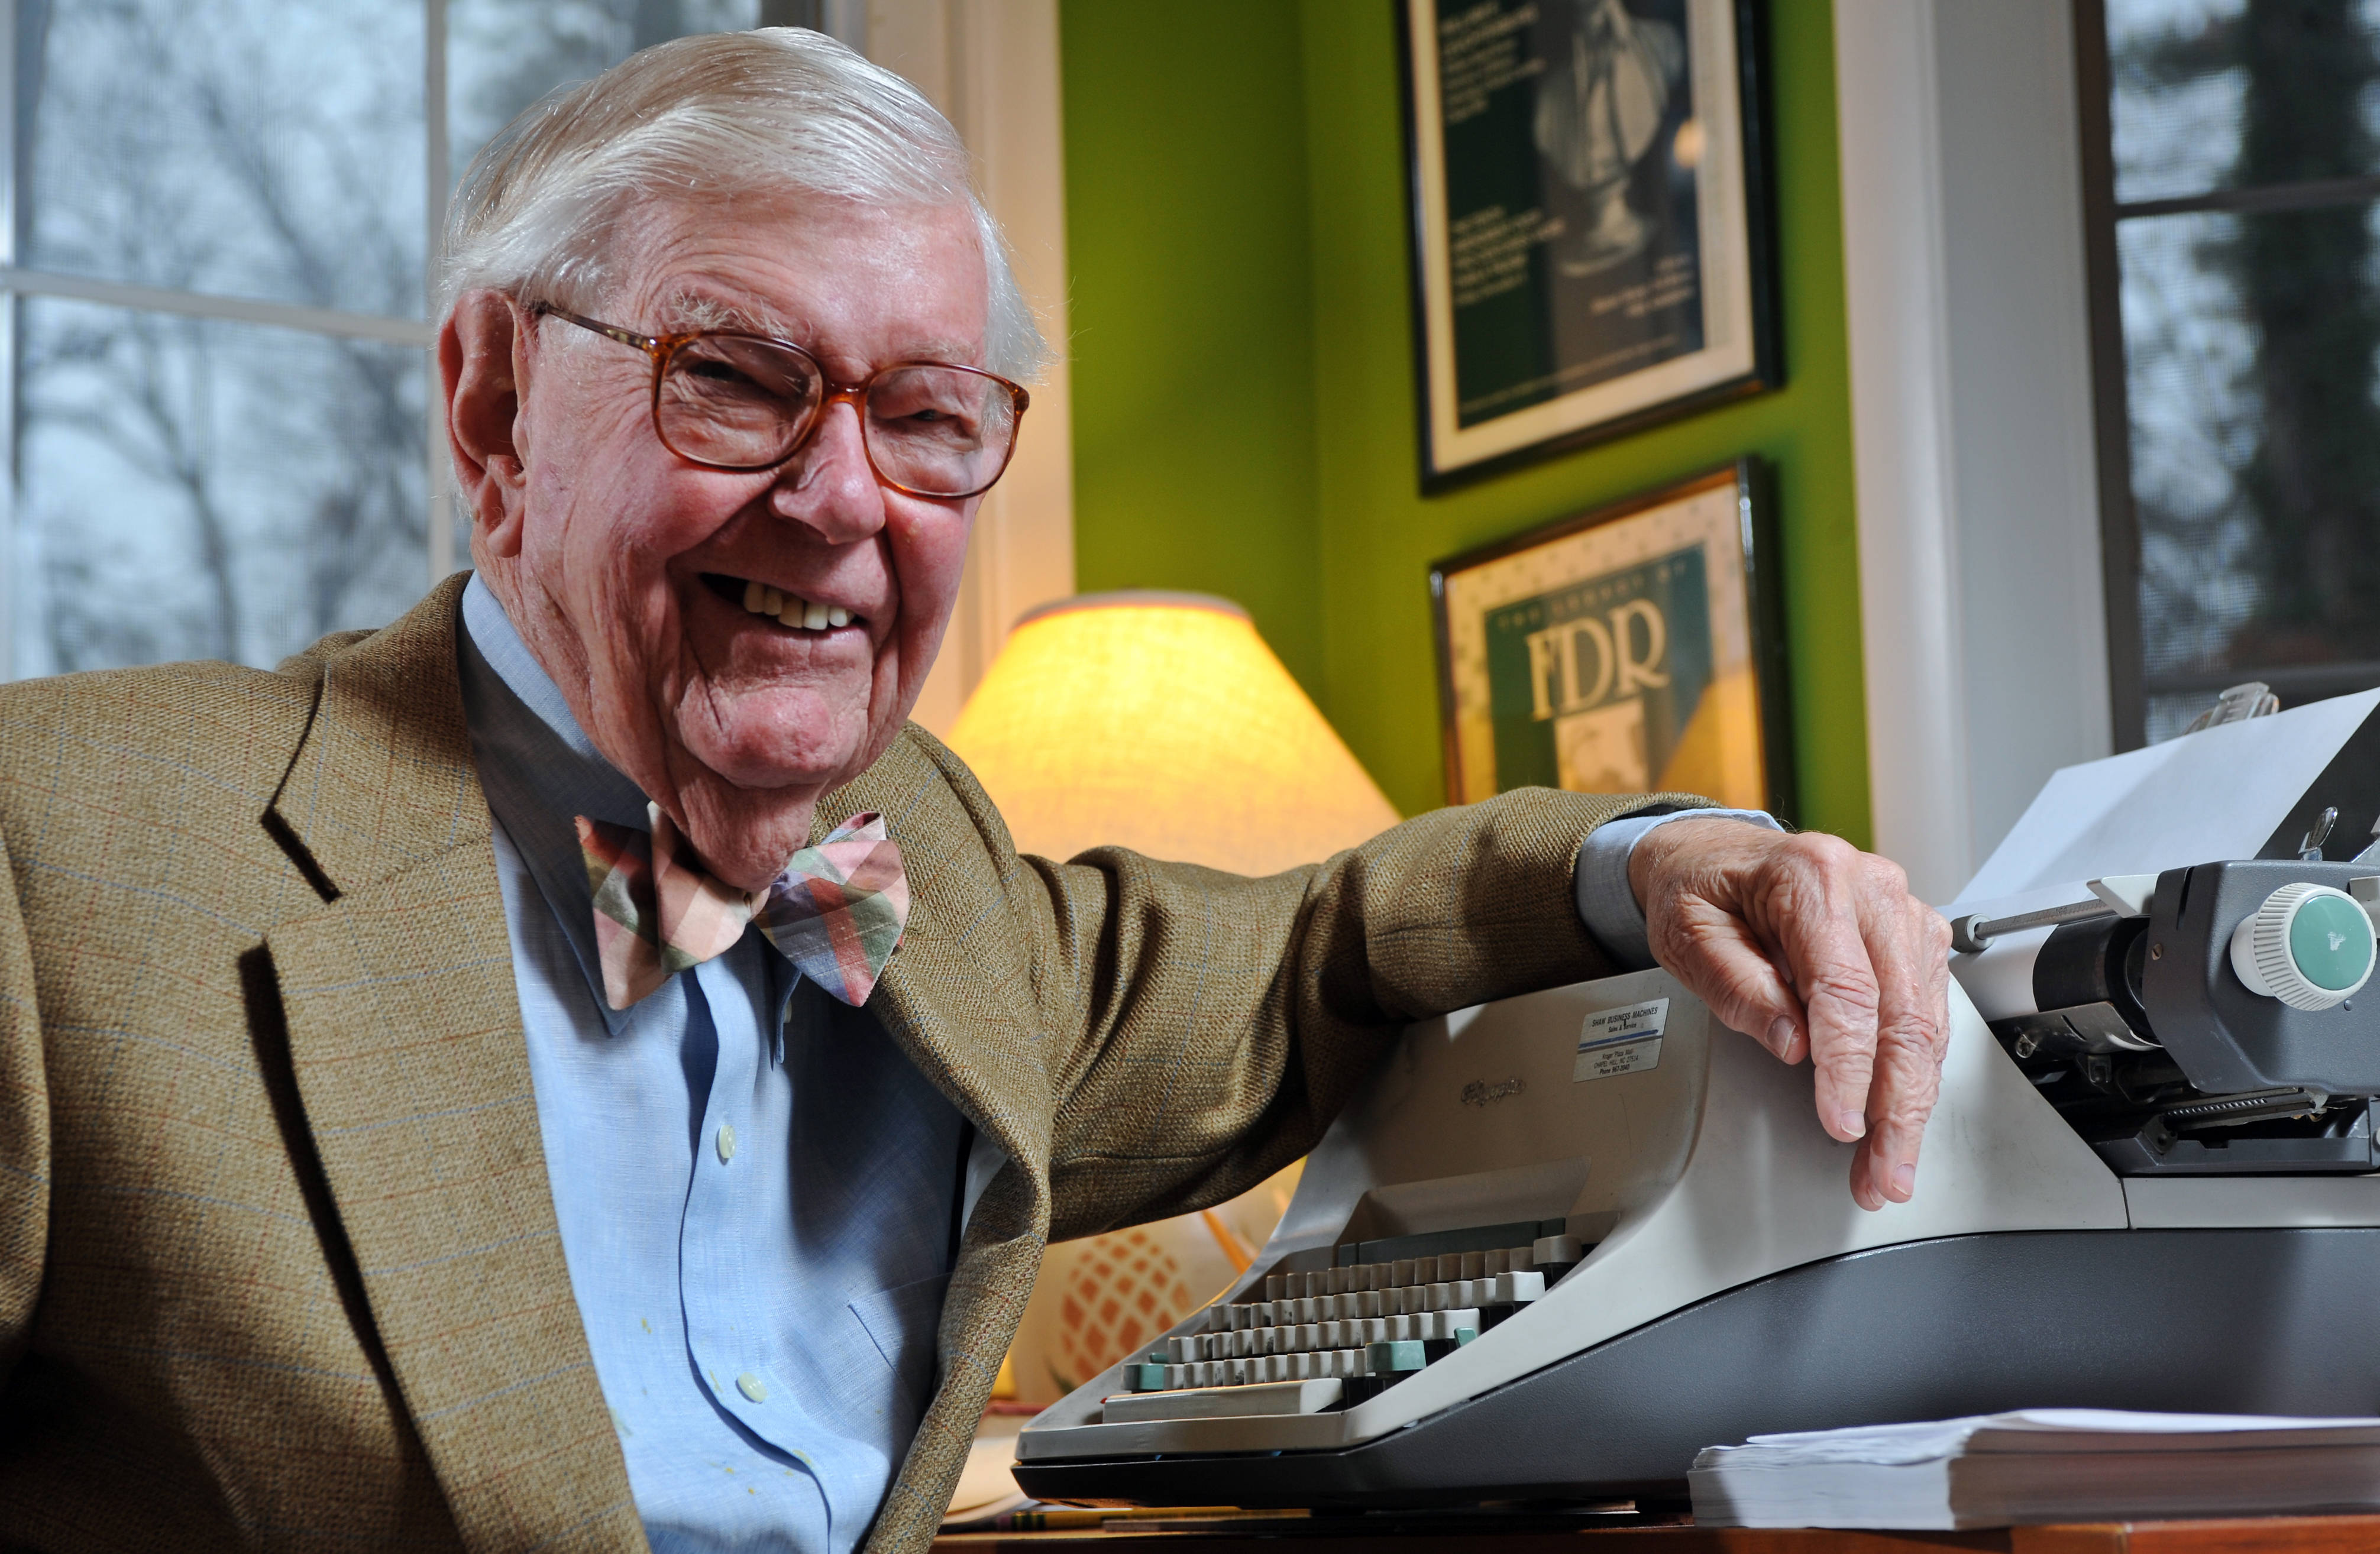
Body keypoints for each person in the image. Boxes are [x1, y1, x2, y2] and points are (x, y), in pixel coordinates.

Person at [0, 28, 1949, 1554]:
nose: (844, 501)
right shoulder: (62, 853)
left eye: (927, 416)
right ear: (498, 409)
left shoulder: (927, 859)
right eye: (738, 380)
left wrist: (1676, 852)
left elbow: (1314, 956)